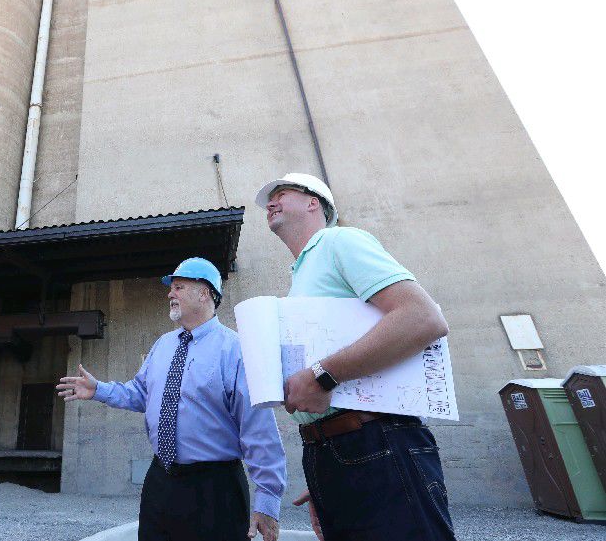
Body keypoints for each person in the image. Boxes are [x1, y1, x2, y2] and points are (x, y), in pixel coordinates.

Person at [255, 172, 455, 541]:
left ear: (314, 201)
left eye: (280, 194)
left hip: (377, 443)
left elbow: (423, 318)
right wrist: (324, 471)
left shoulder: (338, 241)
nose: (270, 203)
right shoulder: (301, 275)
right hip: (330, 449)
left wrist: (322, 376)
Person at [57, 257, 286, 541]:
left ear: (205, 293)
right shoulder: (163, 345)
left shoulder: (235, 350)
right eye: (171, 288)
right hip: (161, 481)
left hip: (215, 489)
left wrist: (267, 501)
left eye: (178, 287)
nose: (169, 294)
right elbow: (141, 394)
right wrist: (98, 390)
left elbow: (258, 428)